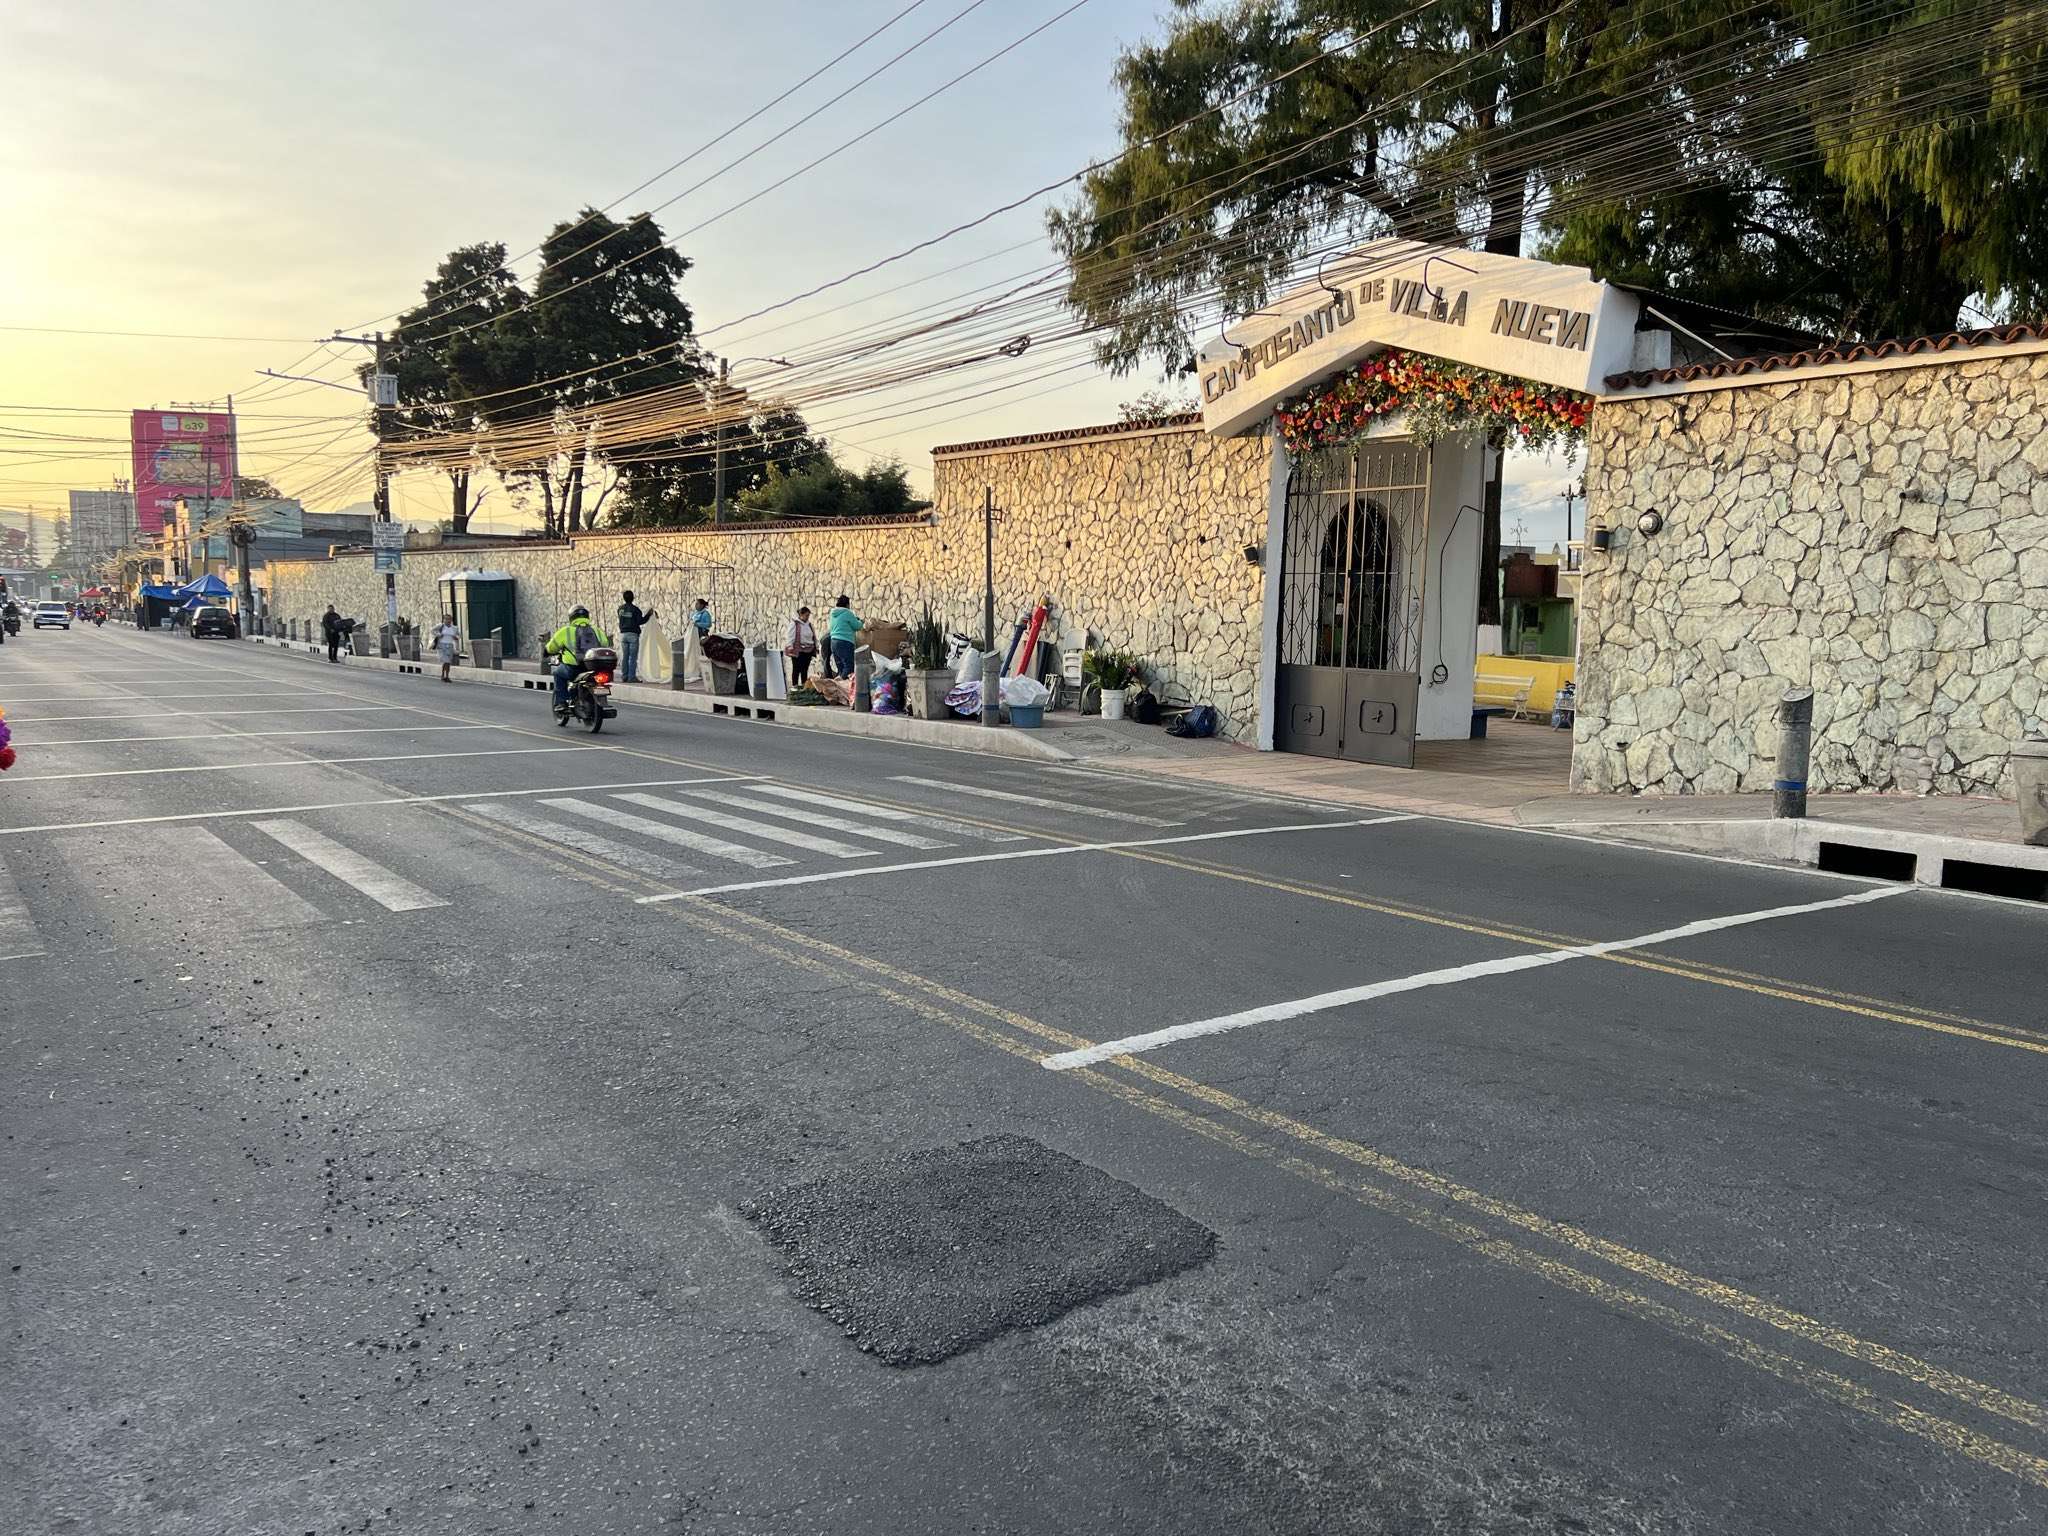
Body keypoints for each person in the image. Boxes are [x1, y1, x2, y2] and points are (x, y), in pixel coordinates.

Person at [545, 605, 610, 715]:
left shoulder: (566, 631)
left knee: (557, 673)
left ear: (571, 617)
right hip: (593, 668)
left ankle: (561, 703)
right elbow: (605, 644)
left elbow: (551, 647)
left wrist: (546, 652)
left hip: (574, 668)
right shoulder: (596, 630)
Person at [615, 589, 656, 684]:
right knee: (632, 657)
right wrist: (648, 615)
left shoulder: (620, 609)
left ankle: (624, 676)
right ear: (633, 598)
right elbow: (640, 621)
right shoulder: (635, 610)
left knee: (625, 656)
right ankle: (632, 677)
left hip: (623, 635)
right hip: (633, 635)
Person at [825, 594, 862, 680]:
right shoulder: (847, 612)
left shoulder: (833, 613)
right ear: (847, 604)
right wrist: (861, 622)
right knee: (849, 667)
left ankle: (839, 683)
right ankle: (839, 680)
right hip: (845, 642)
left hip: (833, 642)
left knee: (841, 668)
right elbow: (857, 626)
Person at [784, 605, 819, 688]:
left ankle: (804, 687)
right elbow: (790, 636)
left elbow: (813, 636)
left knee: (804, 670)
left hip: (808, 650)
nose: (807, 617)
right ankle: (795, 687)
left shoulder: (809, 625)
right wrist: (790, 646)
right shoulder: (795, 624)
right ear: (801, 615)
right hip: (798, 650)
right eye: (806, 615)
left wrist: (816, 646)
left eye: (808, 616)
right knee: (796, 669)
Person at [432, 614, 462, 683]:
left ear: (451, 620)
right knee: (445, 660)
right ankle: (444, 675)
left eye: (449, 619)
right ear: (444, 620)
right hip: (441, 645)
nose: (448, 621)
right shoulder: (441, 626)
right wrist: (439, 635)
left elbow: (459, 635)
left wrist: (456, 637)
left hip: (450, 645)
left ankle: (446, 676)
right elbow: (432, 630)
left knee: (448, 662)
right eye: (446, 619)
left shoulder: (454, 628)